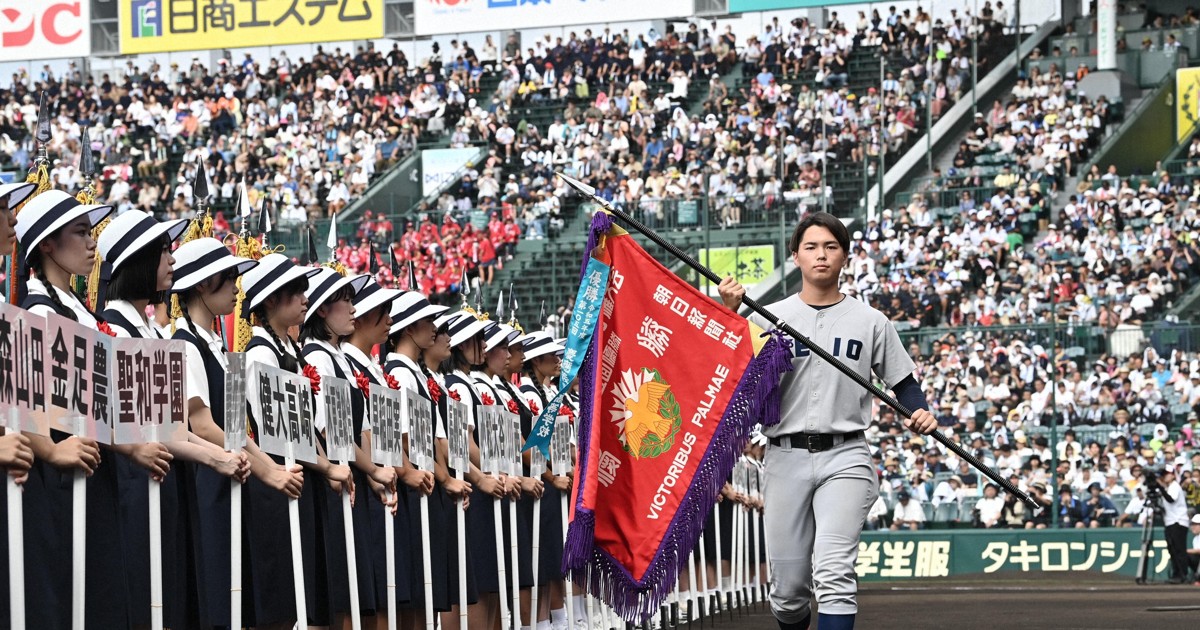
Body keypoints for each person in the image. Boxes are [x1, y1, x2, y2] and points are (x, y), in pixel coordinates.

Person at [718, 211, 937, 630]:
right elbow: (727, 376)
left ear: (845, 257)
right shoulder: (764, 317)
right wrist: (730, 316)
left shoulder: (871, 321)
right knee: (788, 593)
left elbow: (904, 383)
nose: (822, 255)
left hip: (847, 455)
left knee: (835, 573)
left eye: (831, 246)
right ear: (795, 256)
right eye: (812, 247)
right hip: (784, 457)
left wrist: (919, 409)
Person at [172, 237, 282, 626]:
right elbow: (202, 425)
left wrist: (269, 466)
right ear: (202, 284)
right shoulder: (182, 344)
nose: (237, 288)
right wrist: (268, 470)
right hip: (209, 481)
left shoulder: (223, 347)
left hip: (238, 475)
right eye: (229, 278)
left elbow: (238, 427)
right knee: (217, 595)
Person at [241, 253, 348, 627]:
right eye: (297, 291)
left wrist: (329, 467)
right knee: (281, 602)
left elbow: (305, 425)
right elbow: (282, 430)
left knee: (311, 597)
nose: (306, 299)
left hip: (303, 478)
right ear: (270, 299)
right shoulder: (258, 353)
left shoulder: (291, 350)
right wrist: (327, 466)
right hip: (275, 483)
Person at [299, 267, 381, 624]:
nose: (352, 308)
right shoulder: (317, 357)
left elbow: (359, 428)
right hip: (334, 483)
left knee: (359, 594)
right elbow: (334, 432)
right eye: (344, 300)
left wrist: (374, 474)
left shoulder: (341, 360)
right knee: (339, 598)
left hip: (355, 479)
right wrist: (374, 469)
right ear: (321, 310)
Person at [1157, 468, 1191, 584]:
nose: (1165, 477)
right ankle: (1176, 574)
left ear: (1172, 475)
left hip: (1178, 521)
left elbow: (1171, 499)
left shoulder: (1174, 486)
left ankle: (1182, 575)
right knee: (1172, 549)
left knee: (1179, 549)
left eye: (1167, 474)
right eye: (1163, 475)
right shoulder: (1168, 488)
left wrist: (1160, 488)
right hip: (1170, 521)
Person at [1186, 514, 1200, 584]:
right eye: (1192, 525)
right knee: (1185, 557)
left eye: (1195, 525)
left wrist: (1185, 551)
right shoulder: (1195, 539)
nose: (1193, 527)